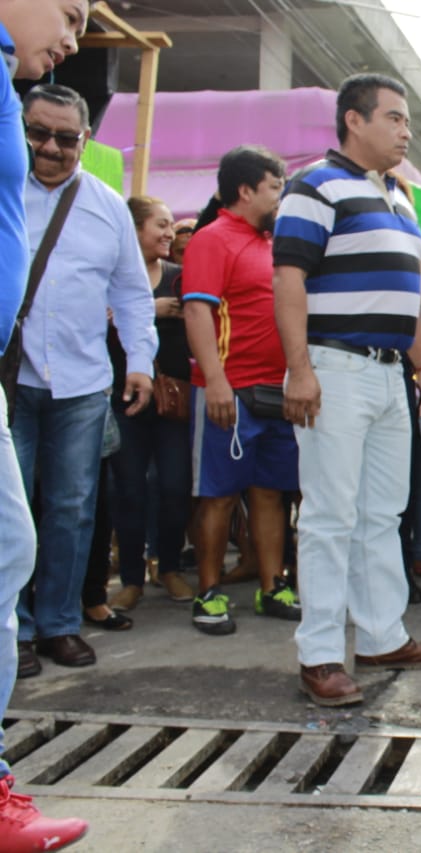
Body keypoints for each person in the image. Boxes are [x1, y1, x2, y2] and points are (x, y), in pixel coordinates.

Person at [275, 73, 421, 707]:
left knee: (382, 512)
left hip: (387, 372)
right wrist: (300, 368)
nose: (406, 131)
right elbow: (289, 280)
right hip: (335, 367)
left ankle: (381, 634)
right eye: (396, 118)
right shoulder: (313, 186)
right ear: (354, 120)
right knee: (328, 515)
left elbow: (406, 295)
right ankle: (320, 655)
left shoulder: (399, 197)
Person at [14, 84, 156, 673]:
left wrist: (142, 362)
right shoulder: (2, 189)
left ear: (85, 140)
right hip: (9, 378)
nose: (50, 147)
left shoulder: (106, 206)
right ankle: (12, 631)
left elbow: (131, 293)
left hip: (82, 382)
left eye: (65, 138)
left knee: (73, 507)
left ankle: (57, 624)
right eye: (38, 133)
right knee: (11, 507)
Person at [0, 3, 90, 847]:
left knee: (22, 543)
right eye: (69, 9)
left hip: (70, 384)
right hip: (12, 381)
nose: (73, 36)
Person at [183, 145, 300, 636]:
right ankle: (208, 593)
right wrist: (215, 382)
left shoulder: (278, 242)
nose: (281, 196)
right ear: (246, 190)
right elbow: (196, 312)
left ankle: (272, 586)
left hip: (281, 392)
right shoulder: (212, 239)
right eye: (275, 187)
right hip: (230, 392)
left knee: (271, 494)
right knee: (219, 496)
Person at [105, 196, 195, 614]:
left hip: (173, 399)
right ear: (134, 228)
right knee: (130, 489)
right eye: (160, 225)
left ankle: (171, 566)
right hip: (124, 400)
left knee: (175, 485)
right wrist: (149, 310)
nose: (168, 233)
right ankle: (131, 579)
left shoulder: (180, 277)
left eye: (170, 224)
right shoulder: (112, 277)